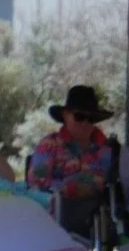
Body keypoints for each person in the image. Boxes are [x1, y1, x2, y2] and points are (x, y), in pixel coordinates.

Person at [27, 84, 113, 238]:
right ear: (66, 115)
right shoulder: (49, 145)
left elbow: (106, 182)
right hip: (55, 219)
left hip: (95, 220)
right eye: (79, 116)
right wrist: (71, 187)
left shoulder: (106, 150)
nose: (85, 124)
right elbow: (38, 182)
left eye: (91, 119)